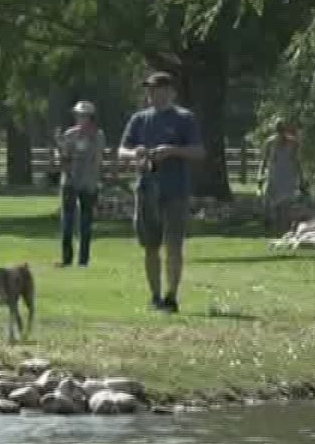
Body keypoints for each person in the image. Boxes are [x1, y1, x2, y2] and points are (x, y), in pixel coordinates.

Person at [118, 71, 205, 313]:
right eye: (149, 89)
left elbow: (198, 151)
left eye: (156, 89)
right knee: (150, 246)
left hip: (175, 190)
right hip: (146, 189)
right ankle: (154, 296)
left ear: (169, 91)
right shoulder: (139, 119)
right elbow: (121, 151)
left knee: (174, 244)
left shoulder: (184, 118)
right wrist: (135, 153)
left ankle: (171, 296)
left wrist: (172, 151)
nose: (151, 94)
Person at [55, 100, 107, 267]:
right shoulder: (70, 134)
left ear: (91, 118)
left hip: (88, 183)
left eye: (83, 116)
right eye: (78, 115)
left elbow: (96, 159)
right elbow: (64, 159)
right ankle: (66, 259)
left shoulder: (98, 136)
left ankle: (83, 260)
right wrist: (61, 148)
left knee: (86, 223)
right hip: (70, 182)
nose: (80, 118)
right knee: (67, 222)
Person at [260, 118, 302, 236]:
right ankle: (269, 223)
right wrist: (261, 175)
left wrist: (301, 177)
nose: (280, 132)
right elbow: (264, 160)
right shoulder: (270, 142)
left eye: (282, 129)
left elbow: (296, 160)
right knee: (269, 201)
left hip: (288, 175)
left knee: (286, 203)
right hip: (274, 174)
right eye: (278, 129)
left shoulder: (293, 143)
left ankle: (284, 227)